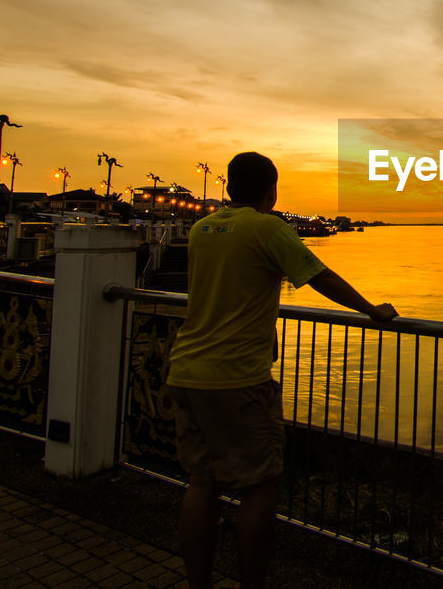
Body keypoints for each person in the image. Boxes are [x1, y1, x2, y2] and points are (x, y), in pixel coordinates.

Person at [165, 151, 397, 589]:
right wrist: (370, 310)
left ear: (230, 187)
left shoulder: (202, 228)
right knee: (258, 486)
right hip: (236, 379)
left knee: (200, 481)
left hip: (186, 371)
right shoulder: (268, 228)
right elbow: (319, 277)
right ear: (271, 189)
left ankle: (199, 585)